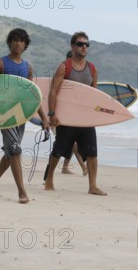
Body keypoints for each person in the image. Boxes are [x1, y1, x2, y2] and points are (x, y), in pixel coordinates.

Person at [0, 28, 50, 204]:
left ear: (25, 44)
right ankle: (22, 192)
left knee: (11, 151)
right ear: (10, 42)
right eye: (15, 40)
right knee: (16, 150)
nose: (18, 43)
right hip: (4, 115)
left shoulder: (28, 67)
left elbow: (32, 96)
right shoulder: (0, 64)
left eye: (21, 40)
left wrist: (44, 118)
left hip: (20, 115)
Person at [44, 31, 106, 195]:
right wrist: (51, 113)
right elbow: (53, 92)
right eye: (80, 44)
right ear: (73, 46)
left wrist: (95, 114)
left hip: (85, 118)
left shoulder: (92, 69)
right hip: (68, 117)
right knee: (58, 150)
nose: (84, 47)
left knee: (92, 152)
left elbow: (94, 94)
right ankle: (49, 179)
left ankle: (92, 186)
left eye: (86, 44)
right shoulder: (65, 67)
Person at [59, 50, 88, 176]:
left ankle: (65, 167)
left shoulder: (79, 79)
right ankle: (83, 167)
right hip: (60, 116)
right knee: (71, 144)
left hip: (74, 116)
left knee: (71, 143)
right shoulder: (61, 74)